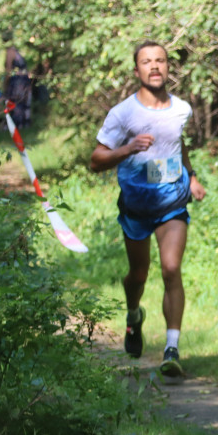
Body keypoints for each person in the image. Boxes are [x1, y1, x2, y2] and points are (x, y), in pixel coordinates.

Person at [89, 41, 206, 380]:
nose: (154, 67)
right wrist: (128, 148)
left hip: (172, 202)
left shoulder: (181, 108)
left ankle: (172, 348)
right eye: (146, 62)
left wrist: (192, 176)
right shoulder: (124, 113)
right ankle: (132, 314)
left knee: (171, 269)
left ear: (168, 67)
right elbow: (96, 160)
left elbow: (176, 143)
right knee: (138, 275)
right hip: (137, 206)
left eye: (160, 61)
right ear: (136, 70)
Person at [2, 31, 31, 127]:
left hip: (18, 82)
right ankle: (23, 124)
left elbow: (8, 71)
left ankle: (16, 125)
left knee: (15, 102)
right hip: (24, 81)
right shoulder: (16, 50)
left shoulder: (10, 52)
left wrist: (5, 85)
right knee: (22, 102)